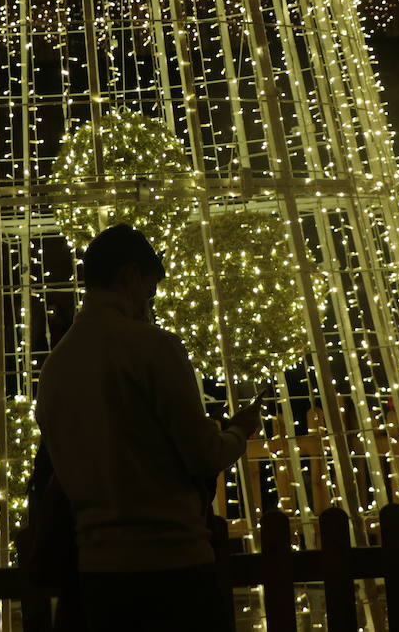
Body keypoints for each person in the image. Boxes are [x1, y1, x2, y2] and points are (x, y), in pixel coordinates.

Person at [36, 224, 264, 632]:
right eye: (150, 288)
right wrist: (237, 433)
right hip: (172, 565)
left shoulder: (56, 367)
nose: (149, 301)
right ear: (129, 277)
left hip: (96, 574)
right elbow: (201, 454)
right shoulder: (153, 347)